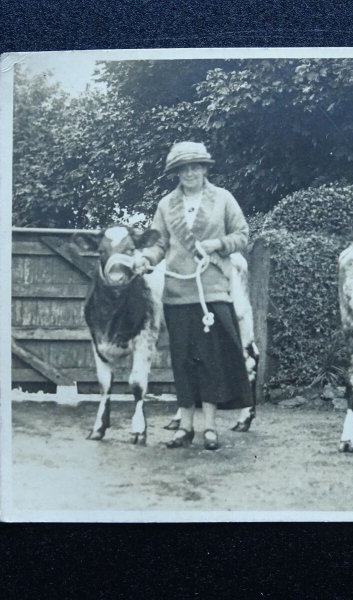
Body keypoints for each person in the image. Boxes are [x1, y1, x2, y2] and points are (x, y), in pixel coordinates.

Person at [136, 141, 253, 450]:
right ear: (176, 173)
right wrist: (147, 259)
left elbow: (242, 235)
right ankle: (185, 426)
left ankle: (210, 427)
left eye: (195, 166)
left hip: (213, 291)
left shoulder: (223, 199)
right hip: (177, 293)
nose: (189, 173)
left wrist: (218, 245)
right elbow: (158, 244)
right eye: (183, 168)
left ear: (204, 168)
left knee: (211, 361)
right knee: (184, 362)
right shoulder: (165, 205)